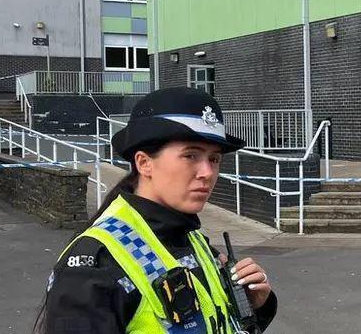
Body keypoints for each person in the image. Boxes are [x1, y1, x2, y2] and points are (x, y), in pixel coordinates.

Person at [34, 87, 277, 334]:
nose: (207, 173)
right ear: (144, 163)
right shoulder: (95, 266)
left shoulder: (193, 240)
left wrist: (255, 306)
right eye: (191, 155)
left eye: (214, 159)